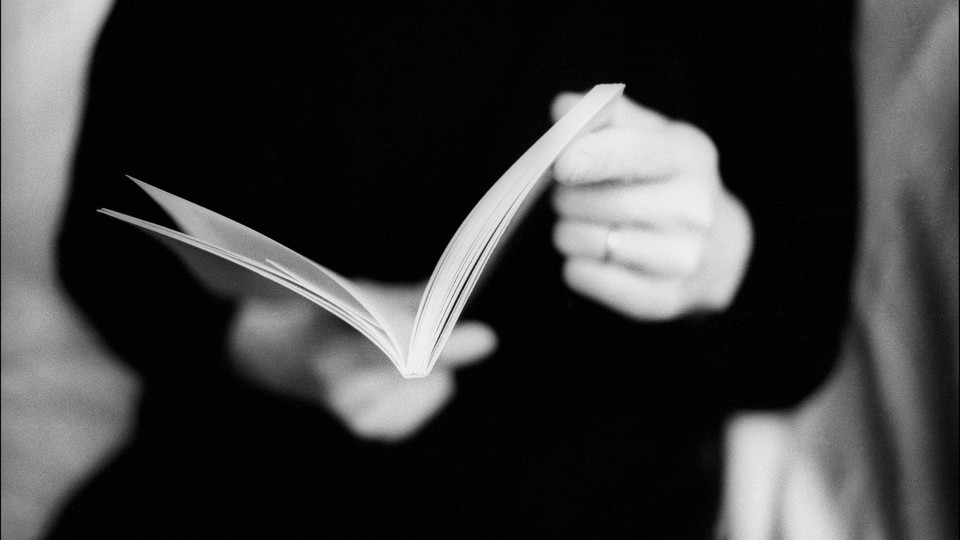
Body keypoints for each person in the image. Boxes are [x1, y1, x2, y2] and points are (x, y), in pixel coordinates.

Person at [51, 1, 857, 536]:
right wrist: (270, 348)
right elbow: (101, 243)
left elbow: (801, 336)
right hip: (226, 485)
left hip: (578, 505)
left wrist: (713, 270)